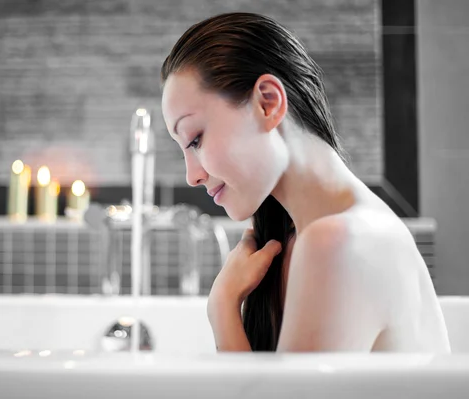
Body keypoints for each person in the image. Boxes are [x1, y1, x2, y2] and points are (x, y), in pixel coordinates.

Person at [160, 12, 450, 352]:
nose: (191, 175)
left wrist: (222, 308)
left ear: (268, 103)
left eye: (195, 139)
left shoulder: (339, 241)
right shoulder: (304, 237)